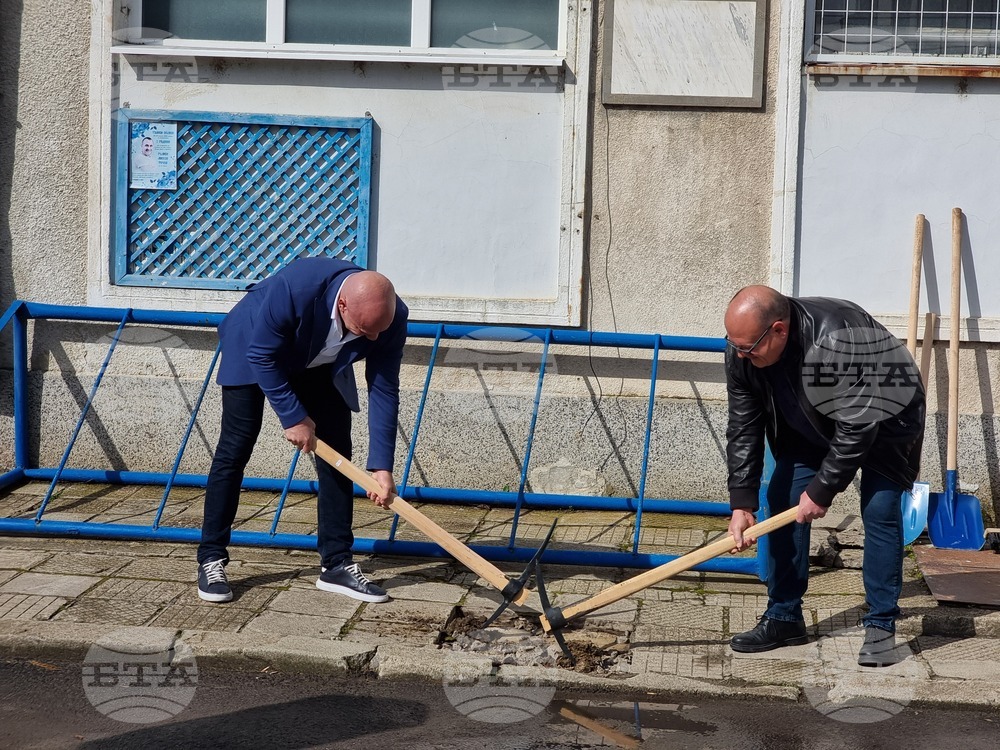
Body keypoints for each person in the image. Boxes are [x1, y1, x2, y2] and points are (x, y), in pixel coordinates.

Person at [723, 285, 924, 667]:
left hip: (888, 419)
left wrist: (822, 490)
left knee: (879, 510)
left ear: (779, 330)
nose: (741, 355)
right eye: (735, 345)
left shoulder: (838, 340)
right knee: (781, 496)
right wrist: (742, 503)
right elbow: (743, 425)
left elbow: (858, 426)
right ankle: (784, 617)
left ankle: (881, 626)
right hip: (813, 422)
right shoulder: (742, 349)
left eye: (748, 348)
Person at [197, 257, 408, 604]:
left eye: (377, 331)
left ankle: (336, 564)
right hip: (254, 346)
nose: (372, 338)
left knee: (337, 453)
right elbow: (262, 355)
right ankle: (211, 558)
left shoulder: (390, 317)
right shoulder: (295, 288)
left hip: (317, 360)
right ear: (343, 304)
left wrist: (382, 466)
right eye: (363, 329)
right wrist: (293, 417)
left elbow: (384, 388)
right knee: (236, 447)